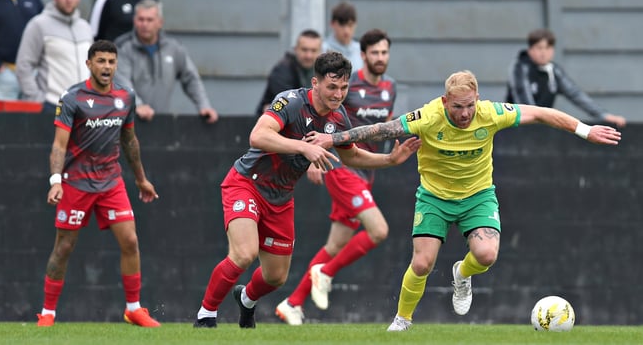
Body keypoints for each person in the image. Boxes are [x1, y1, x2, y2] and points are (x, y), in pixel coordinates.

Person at [305, 70, 621, 332]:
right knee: (422, 263)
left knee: (486, 255)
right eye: (457, 107)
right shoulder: (427, 117)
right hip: (434, 198)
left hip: (478, 197)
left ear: (478, 100)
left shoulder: (491, 114)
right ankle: (402, 320)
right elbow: (379, 130)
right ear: (445, 102)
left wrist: (585, 129)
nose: (465, 113)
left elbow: (540, 113)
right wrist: (331, 139)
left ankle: (462, 274)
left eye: (470, 105)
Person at [192, 51, 421, 329]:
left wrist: (388, 160)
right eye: (332, 87)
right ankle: (206, 315)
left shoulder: (338, 118)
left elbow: (350, 157)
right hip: (246, 183)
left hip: (281, 198)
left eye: (344, 87)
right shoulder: (290, 101)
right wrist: (304, 146)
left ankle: (247, 300)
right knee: (244, 253)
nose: (338, 94)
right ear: (315, 83)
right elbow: (258, 136)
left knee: (276, 277)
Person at [35, 40, 161, 328]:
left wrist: (141, 179)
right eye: (101, 61)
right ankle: (48, 313)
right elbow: (58, 146)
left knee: (130, 241)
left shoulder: (126, 97)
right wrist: (56, 181)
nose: (106, 67)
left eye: (111, 61)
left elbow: (129, 140)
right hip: (76, 183)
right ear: (89, 64)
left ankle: (133, 308)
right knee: (64, 247)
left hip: (111, 182)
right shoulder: (72, 98)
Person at [275, 28, 397, 325]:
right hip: (342, 169)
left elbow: (382, 126)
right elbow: (322, 121)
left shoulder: (390, 88)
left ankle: (292, 303)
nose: (380, 58)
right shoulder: (344, 87)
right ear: (363, 54)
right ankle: (326, 273)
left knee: (335, 245)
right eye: (375, 53)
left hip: (365, 171)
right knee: (378, 230)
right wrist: (314, 161)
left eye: (385, 52)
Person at [115, 0, 218, 122]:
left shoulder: (174, 48)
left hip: (162, 122)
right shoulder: (122, 47)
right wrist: (137, 105)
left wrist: (204, 106)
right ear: (134, 21)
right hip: (128, 121)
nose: (144, 24)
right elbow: (121, 82)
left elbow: (191, 79)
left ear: (160, 22)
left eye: (150, 20)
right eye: (141, 19)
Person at [506, 28, 626, 128]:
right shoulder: (520, 68)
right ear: (530, 50)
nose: (543, 53)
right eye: (539, 48)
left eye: (547, 48)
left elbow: (575, 94)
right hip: (517, 128)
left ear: (553, 50)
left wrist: (604, 115)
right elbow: (524, 103)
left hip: (541, 127)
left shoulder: (554, 71)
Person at [15, 0, 93, 114]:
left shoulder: (85, 28)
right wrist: (37, 100)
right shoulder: (39, 24)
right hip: (53, 106)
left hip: (84, 108)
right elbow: (23, 65)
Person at [255, 29, 322, 115]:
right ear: (295, 49)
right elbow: (289, 103)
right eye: (304, 50)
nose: (308, 55)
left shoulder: (322, 70)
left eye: (313, 51)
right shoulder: (282, 70)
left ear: (320, 52)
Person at [322, 1, 362, 72]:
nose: (346, 30)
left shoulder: (360, 50)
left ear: (355, 24)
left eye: (350, 25)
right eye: (342, 25)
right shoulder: (322, 50)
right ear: (332, 24)